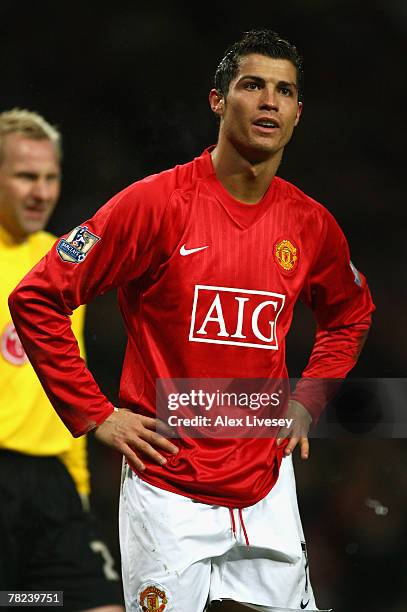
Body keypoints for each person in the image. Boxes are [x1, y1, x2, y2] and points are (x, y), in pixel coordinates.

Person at [8, 29, 375, 612]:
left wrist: (309, 399)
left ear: (298, 113)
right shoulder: (155, 205)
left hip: (265, 480)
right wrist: (95, 413)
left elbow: (351, 312)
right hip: (167, 486)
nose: (268, 102)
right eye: (252, 85)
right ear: (217, 100)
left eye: (284, 91)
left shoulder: (311, 225)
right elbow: (36, 298)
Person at [0, 108, 124, 611]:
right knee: (20, 604)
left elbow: (69, 383)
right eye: (26, 176)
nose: (42, 192)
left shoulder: (61, 263)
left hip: (53, 486)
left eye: (51, 178)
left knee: (92, 602)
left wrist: (79, 490)